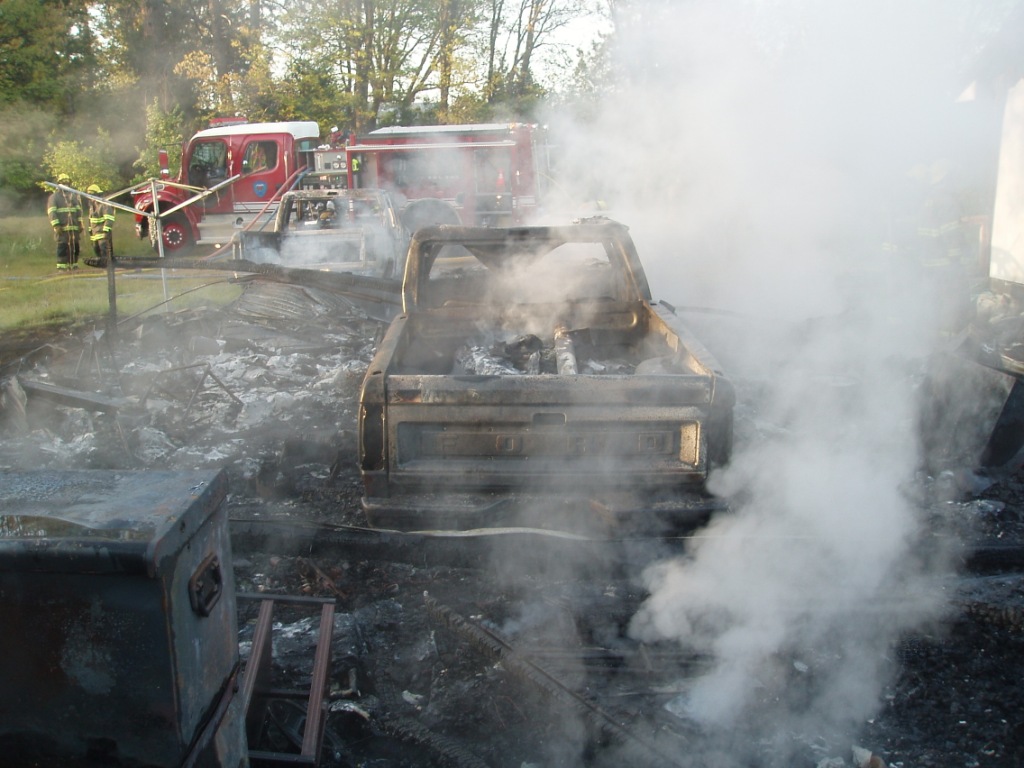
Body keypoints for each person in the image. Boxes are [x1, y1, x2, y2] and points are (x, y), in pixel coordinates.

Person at [47, 173, 82, 270]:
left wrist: (80, 223)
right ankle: (61, 268)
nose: (66, 185)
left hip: (74, 228)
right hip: (62, 229)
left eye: (67, 183)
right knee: (62, 248)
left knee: (75, 247)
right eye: (64, 183)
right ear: (59, 184)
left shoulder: (73, 197)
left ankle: (74, 265)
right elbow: (51, 212)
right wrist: (56, 225)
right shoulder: (54, 197)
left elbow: (78, 211)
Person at [85, 184, 115, 268]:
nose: (90, 198)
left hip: (103, 234)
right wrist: (90, 231)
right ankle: (103, 267)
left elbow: (109, 218)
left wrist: (106, 231)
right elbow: (91, 220)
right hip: (95, 235)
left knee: (105, 253)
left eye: (91, 195)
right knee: (97, 251)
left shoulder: (104, 204)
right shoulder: (92, 206)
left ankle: (109, 269)